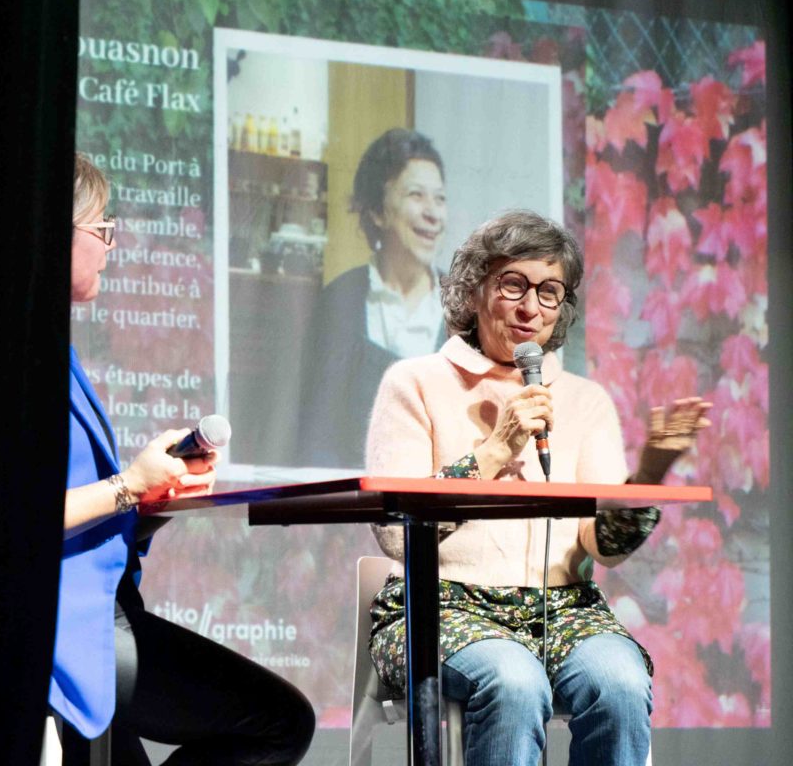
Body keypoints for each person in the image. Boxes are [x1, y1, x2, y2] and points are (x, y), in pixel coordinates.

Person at [365, 210, 711, 766]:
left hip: (567, 610)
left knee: (620, 682)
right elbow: (393, 535)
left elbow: (607, 548)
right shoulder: (415, 384)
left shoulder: (584, 400)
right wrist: (495, 450)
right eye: (513, 285)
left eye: (550, 292)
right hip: (441, 607)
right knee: (514, 680)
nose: (531, 308)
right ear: (474, 290)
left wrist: (648, 475)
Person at [50, 153, 315, 765]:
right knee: (280, 722)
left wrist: (149, 499)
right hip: (69, 626)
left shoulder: (58, 349)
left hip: (99, 609)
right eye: (102, 230)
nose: (111, 246)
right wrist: (127, 485)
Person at [301, 128, 448, 467]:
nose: (433, 213)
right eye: (416, 195)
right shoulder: (339, 303)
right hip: (355, 510)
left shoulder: (470, 309)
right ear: (378, 211)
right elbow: (316, 436)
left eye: (440, 198)